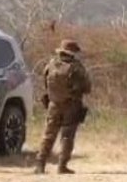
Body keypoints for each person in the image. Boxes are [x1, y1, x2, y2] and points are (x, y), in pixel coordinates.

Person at [35, 39, 91, 174]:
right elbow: (87, 88)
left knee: (48, 134)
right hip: (71, 105)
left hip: (53, 105)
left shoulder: (50, 65)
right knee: (67, 136)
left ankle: (40, 164)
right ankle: (62, 165)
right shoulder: (76, 67)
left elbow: (45, 84)